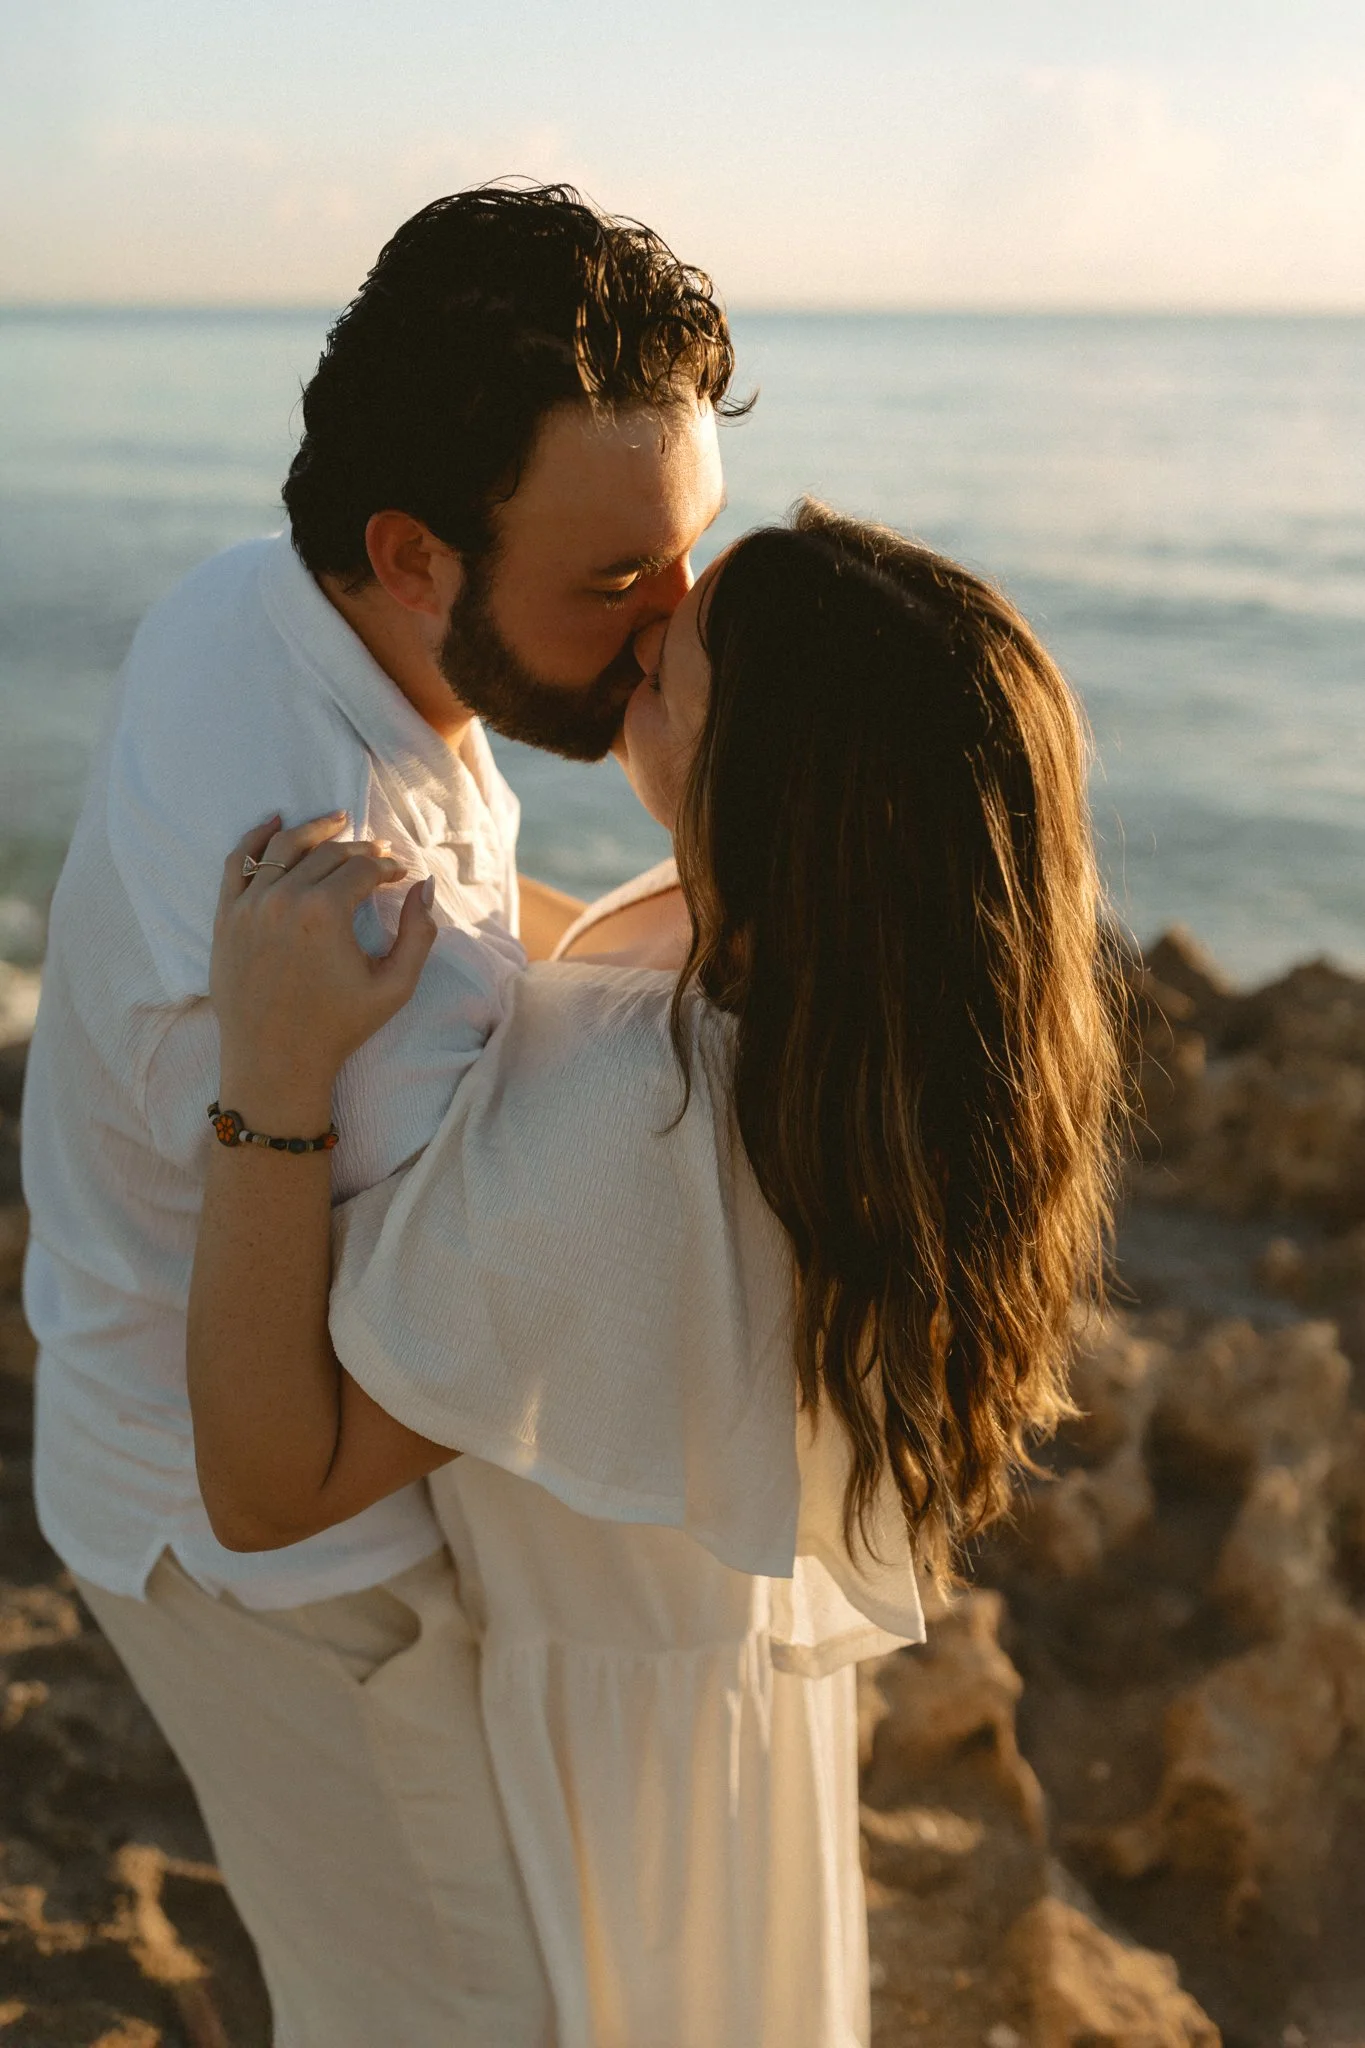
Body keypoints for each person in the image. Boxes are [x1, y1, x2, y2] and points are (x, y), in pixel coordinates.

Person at [186, 502, 1125, 2047]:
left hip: (612, 1768)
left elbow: (268, 1484)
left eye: (670, 668)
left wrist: (271, 1076)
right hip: (716, 1702)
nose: (642, 621)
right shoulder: (831, 982)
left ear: (766, 786)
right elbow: (588, 972)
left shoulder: (638, 1122)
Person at [21, 183, 743, 2046]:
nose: (676, 636)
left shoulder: (268, 607)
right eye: (614, 586)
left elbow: (499, 947)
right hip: (276, 1565)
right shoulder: (340, 900)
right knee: (465, 2011)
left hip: (153, 1437)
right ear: (413, 550)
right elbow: (310, 1448)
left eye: (690, 559)